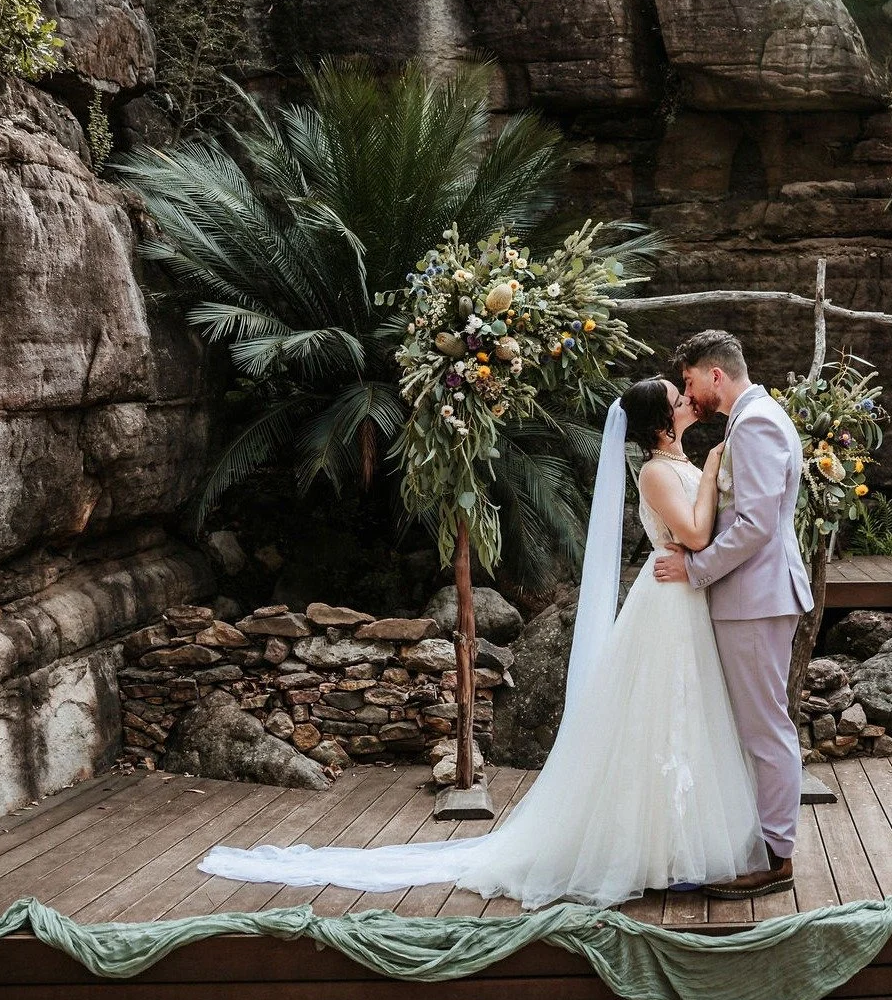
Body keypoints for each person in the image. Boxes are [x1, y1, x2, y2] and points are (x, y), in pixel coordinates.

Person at [197, 376, 769, 910]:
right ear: (660, 420)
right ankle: (651, 850)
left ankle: (676, 844)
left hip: (685, 597)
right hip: (666, 605)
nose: (688, 398)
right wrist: (718, 465)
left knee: (686, 717)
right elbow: (694, 534)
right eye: (677, 396)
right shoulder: (656, 472)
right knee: (661, 716)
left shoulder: (680, 461)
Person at [654, 329, 812, 899]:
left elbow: (755, 525)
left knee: (765, 730)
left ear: (715, 374)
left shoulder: (758, 422)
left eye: (691, 380)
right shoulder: (749, 422)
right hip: (749, 597)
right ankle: (760, 843)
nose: (690, 393)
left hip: (756, 598)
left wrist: (696, 571)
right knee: (754, 728)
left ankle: (776, 857)